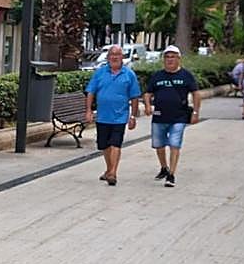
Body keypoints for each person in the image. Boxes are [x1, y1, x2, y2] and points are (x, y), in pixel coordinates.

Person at [143, 44, 199, 188]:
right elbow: (148, 93)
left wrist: (195, 112)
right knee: (158, 145)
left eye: (173, 57)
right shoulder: (157, 76)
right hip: (159, 116)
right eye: (167, 57)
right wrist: (148, 105)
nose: (170, 60)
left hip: (179, 117)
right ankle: (164, 167)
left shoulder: (186, 75)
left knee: (174, 144)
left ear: (178, 59)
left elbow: (196, 94)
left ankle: (171, 174)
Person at [85, 43, 141, 186]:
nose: (115, 57)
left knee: (116, 143)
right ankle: (109, 169)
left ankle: (113, 173)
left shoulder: (129, 75)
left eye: (117, 55)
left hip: (120, 117)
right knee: (104, 145)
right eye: (112, 55)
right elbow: (91, 92)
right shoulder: (100, 73)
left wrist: (133, 116)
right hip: (103, 116)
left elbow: (134, 96)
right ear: (108, 57)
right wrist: (88, 110)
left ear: (122, 57)